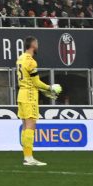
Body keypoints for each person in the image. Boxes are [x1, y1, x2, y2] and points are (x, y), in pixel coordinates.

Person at [16, 35, 59, 166]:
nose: (38, 46)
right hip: (30, 96)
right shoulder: (31, 61)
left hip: (21, 94)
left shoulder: (20, 58)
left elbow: (30, 80)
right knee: (30, 126)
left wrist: (45, 92)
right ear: (33, 45)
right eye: (37, 43)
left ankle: (26, 156)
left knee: (25, 127)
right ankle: (29, 158)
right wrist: (49, 88)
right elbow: (36, 82)